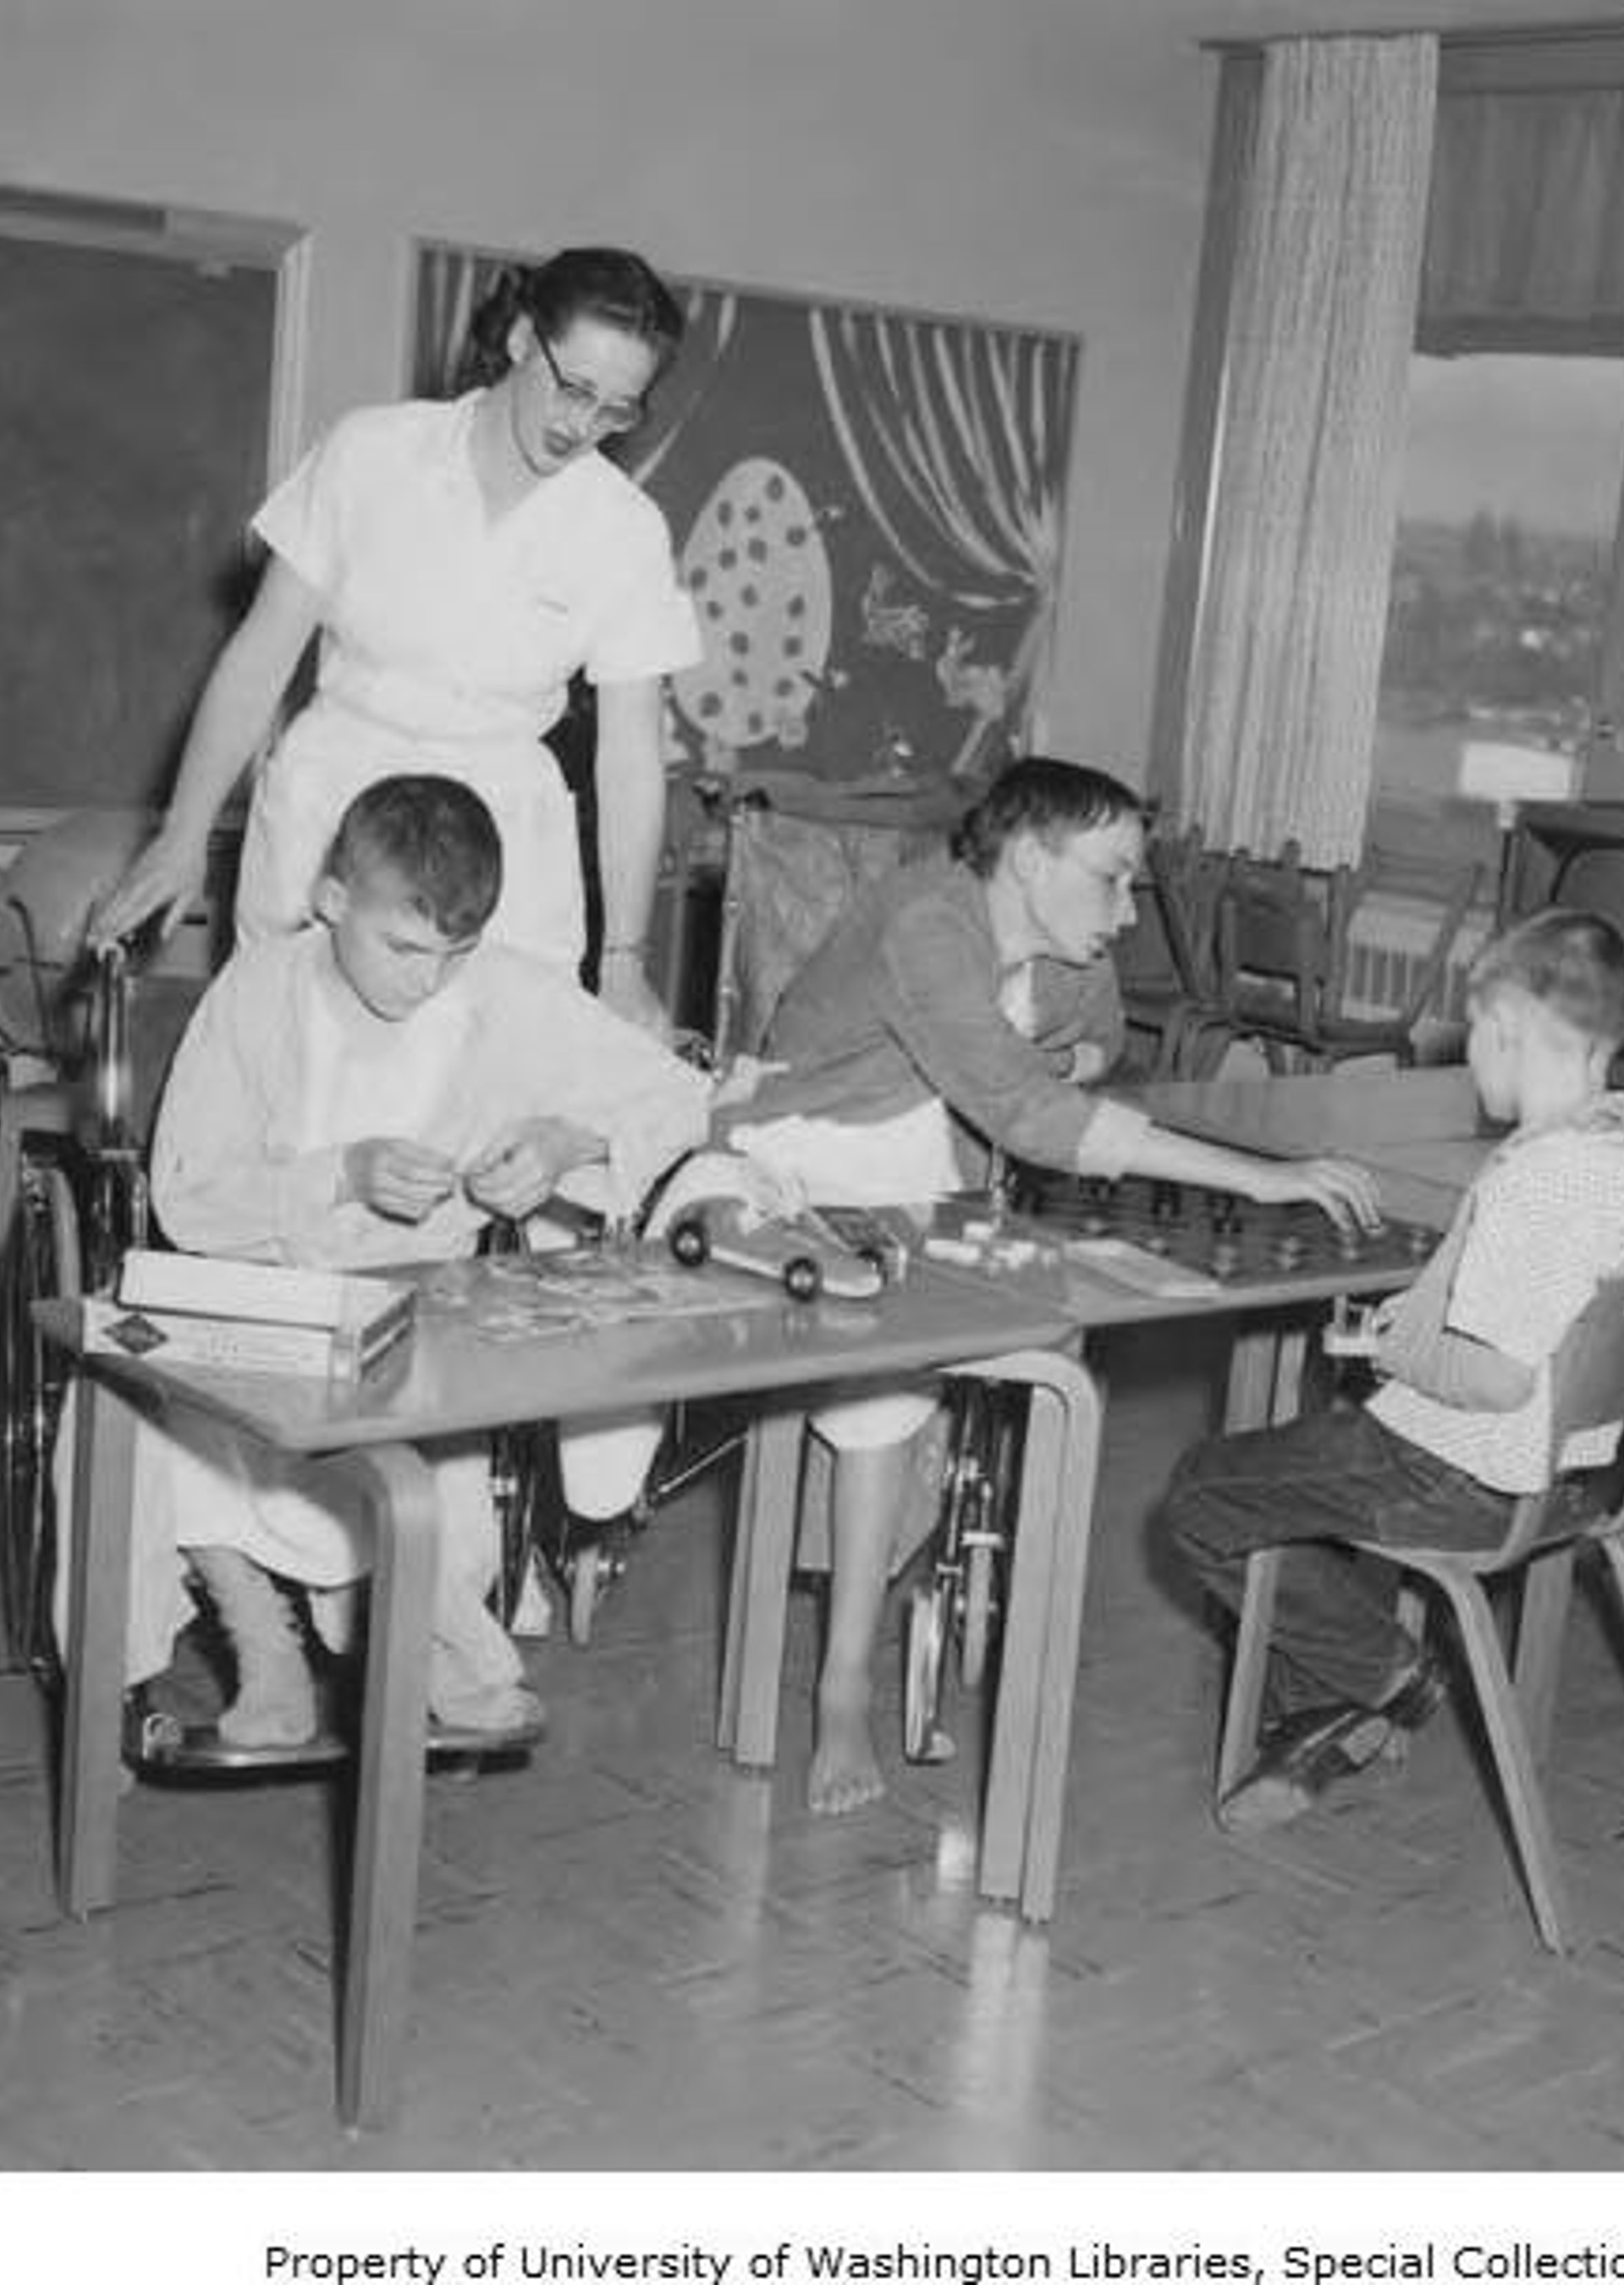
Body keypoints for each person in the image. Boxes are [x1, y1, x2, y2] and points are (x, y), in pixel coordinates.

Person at [715, 756, 1385, 1814]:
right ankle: (842, 1687)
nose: (1128, 912)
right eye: (1112, 878)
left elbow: (1103, 1041)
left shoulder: (1065, 939)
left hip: (936, 1172)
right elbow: (1031, 1124)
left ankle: (919, 1544)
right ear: (1028, 858)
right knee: (884, 1390)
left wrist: (1042, 1063)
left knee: (1055, 1342)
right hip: (808, 1156)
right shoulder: (927, 923)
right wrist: (1265, 1176)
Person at [124, 774, 708, 1748]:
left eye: (454, 953)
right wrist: (340, 1177)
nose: (426, 981)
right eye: (402, 948)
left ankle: (431, 1641)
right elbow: (185, 1196)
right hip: (263, 1292)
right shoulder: (261, 991)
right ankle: (263, 1647)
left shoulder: (504, 994)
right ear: (331, 900)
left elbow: (679, 1098)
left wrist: (569, 1144)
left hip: (420, 1315)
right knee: (152, 1416)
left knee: (423, 1484)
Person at [1157, 908, 1624, 1833]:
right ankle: (1321, 1719)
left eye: (1475, 1035)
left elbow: (1496, 1380)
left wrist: (1393, 1342)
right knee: (1311, 1444)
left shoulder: (1533, 1181)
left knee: (1204, 1494)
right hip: (1583, 1475)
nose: (1468, 1058)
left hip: (1464, 1479)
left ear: (1509, 1030)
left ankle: (1382, 1672)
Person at [92, 248, 700, 1031]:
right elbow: (260, 657)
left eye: (617, 409)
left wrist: (623, 962)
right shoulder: (371, 453)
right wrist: (181, 835)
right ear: (521, 338)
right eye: (573, 387)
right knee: (299, 1087)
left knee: (488, 1110)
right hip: (334, 811)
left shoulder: (623, 531)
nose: (581, 426)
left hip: (506, 836)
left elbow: (629, 759)